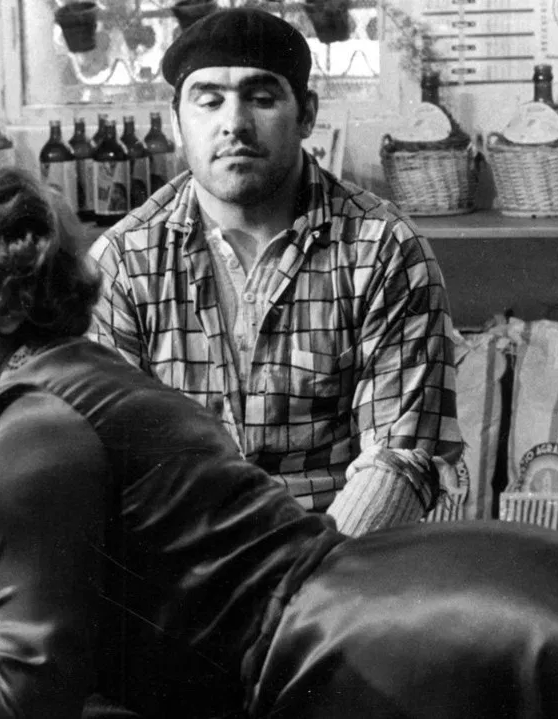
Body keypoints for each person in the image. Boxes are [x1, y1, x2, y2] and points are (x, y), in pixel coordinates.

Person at [0, 146, 558, 718]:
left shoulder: (31, 424)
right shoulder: (70, 381)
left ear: (2, 290)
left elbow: (14, 701)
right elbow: (54, 633)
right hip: (498, 591)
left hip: (387, 651)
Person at [87, 8, 461, 536]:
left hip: (339, 557)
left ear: (307, 115)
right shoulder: (124, 262)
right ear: (177, 121)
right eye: (209, 101)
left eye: (261, 99)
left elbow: (400, 458)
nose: (234, 124)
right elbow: (111, 459)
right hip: (180, 559)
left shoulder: (384, 249)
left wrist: (307, 573)